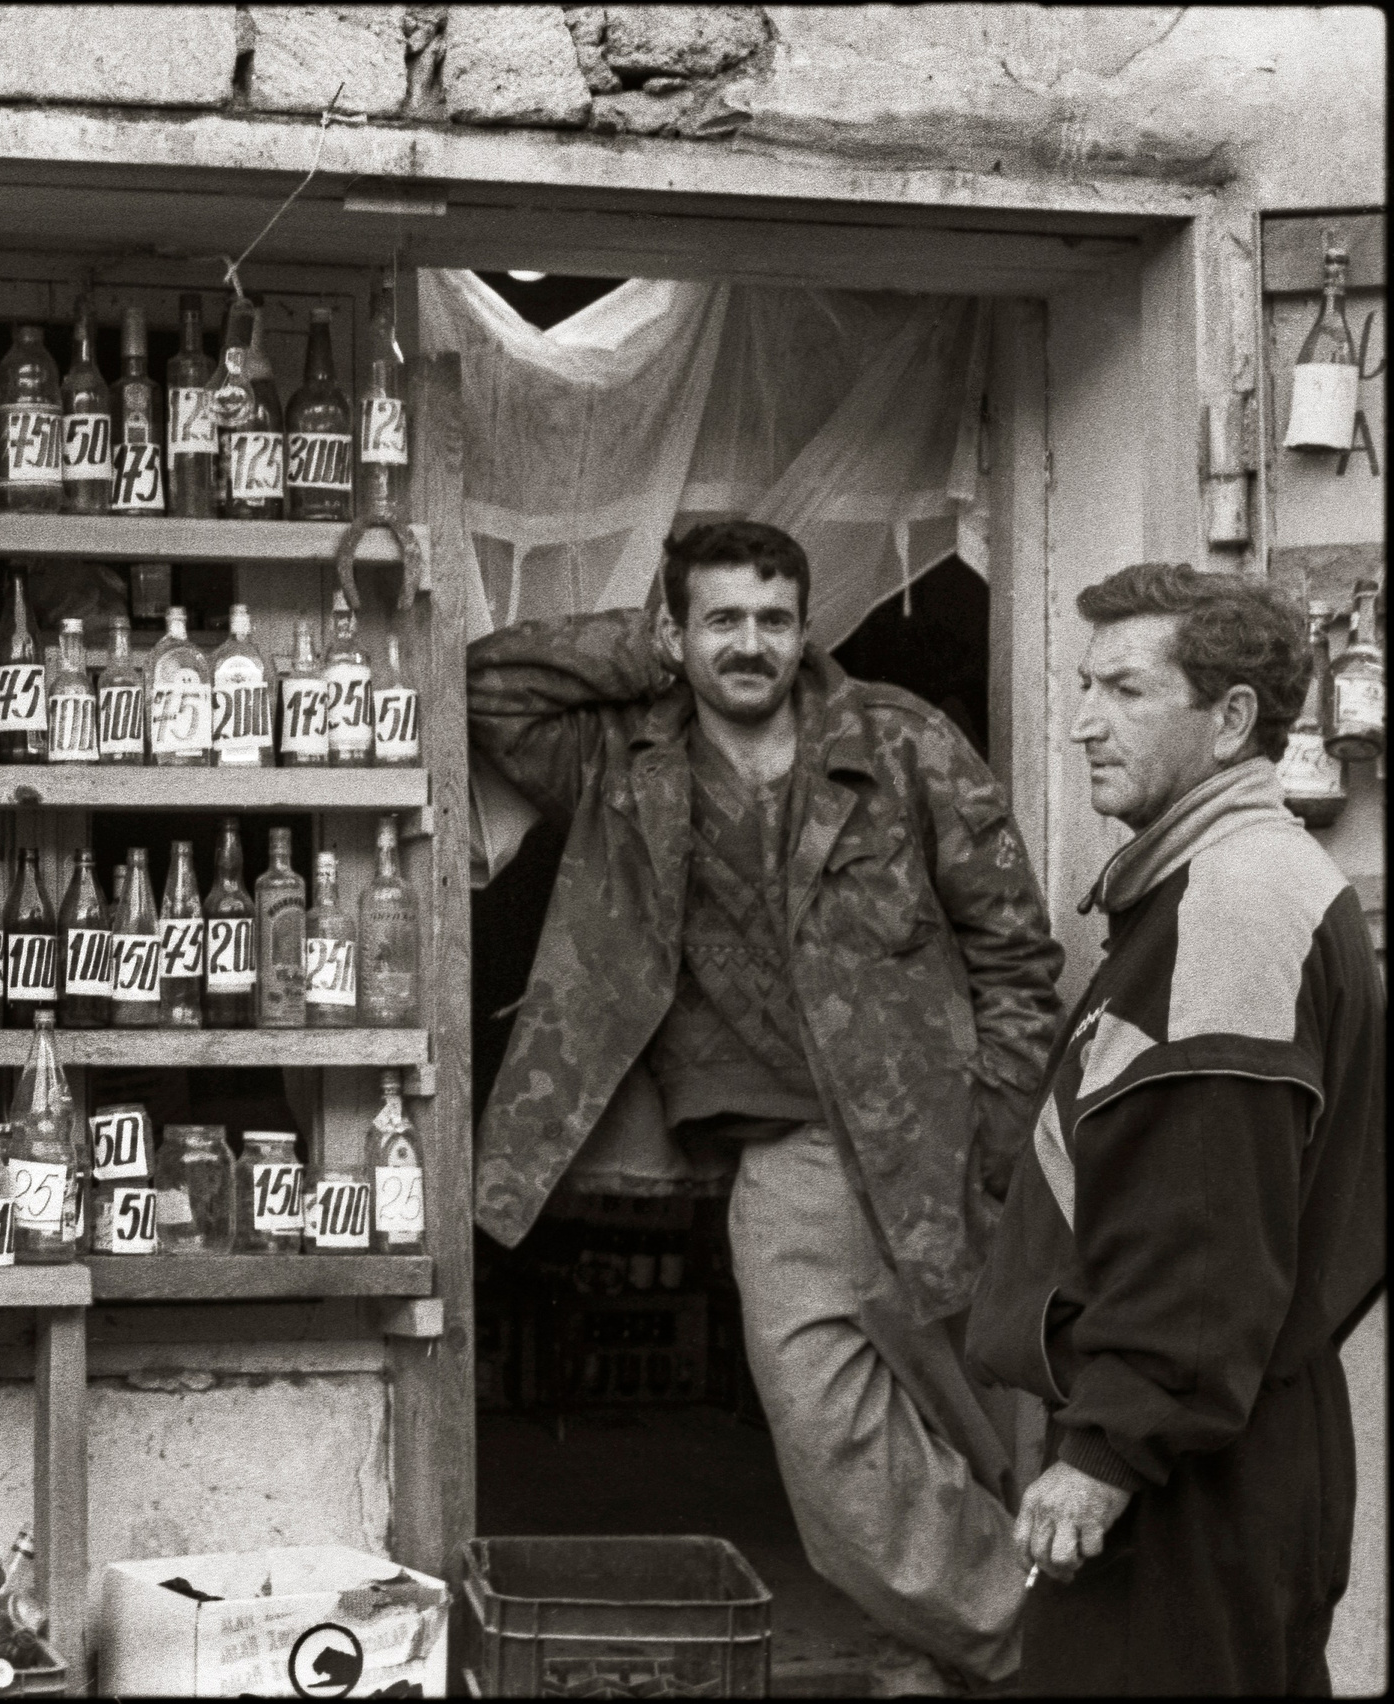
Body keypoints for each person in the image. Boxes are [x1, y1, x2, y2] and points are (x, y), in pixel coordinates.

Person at [468, 521, 1062, 1686]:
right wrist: (643, 652)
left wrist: (989, 1120)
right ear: (674, 630)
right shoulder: (624, 755)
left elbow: (1016, 953)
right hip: (786, 1153)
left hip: (933, 1138)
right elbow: (492, 689)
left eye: (775, 620)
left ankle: (935, 1655)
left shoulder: (897, 741)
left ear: (807, 628)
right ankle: (1046, 1642)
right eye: (721, 620)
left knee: (968, 1429)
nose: (752, 645)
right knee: (830, 1431)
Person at [966, 562, 1385, 1696]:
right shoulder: (1234, 883)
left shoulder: (1231, 910)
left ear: (1231, 719)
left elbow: (1202, 1230)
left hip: (1187, 1481)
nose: (1082, 724)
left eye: (1125, 692)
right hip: (1223, 1449)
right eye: (1082, 686)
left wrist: (1105, 1452)